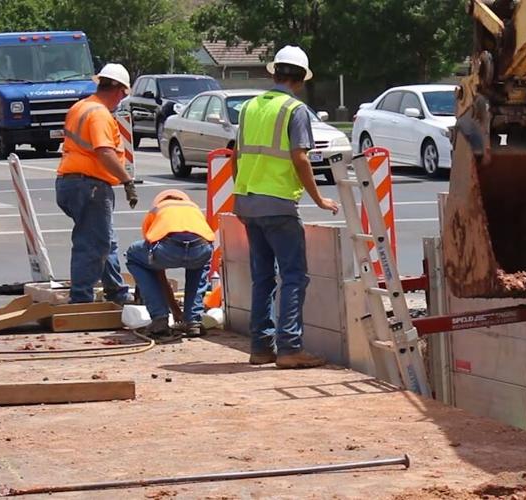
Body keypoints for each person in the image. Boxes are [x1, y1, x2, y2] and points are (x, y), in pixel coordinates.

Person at [233, 45, 339, 369]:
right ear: (301, 79)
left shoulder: (249, 107)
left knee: (262, 277)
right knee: (293, 276)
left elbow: (236, 156)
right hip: (277, 203)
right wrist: (320, 199)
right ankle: (290, 348)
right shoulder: (296, 110)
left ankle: (260, 348)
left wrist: (241, 196)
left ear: (275, 73)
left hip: (247, 201)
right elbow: (300, 157)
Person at [56, 63, 138, 305]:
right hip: (89, 185)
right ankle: (81, 301)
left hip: (71, 182)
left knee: (105, 240)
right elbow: (104, 152)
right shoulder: (100, 114)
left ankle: (117, 293)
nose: (121, 101)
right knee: (92, 244)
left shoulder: (80, 107)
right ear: (119, 90)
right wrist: (126, 180)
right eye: (123, 95)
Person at [125, 190, 214, 343]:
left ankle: (159, 319)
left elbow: (157, 270)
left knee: (134, 256)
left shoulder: (156, 210)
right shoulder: (193, 208)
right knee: (199, 265)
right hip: (200, 249)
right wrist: (176, 310)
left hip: (167, 248)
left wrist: (171, 311)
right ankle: (193, 321)